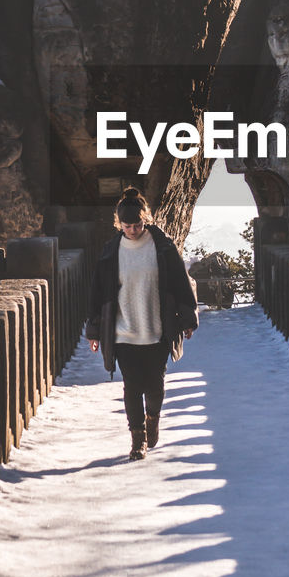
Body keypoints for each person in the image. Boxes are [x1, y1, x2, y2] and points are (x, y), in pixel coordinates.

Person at [86, 187, 199, 461]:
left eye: (138, 225)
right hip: (124, 330)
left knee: (155, 386)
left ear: (145, 220)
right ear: (119, 224)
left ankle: (153, 419)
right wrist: (94, 331)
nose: (133, 230)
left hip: (157, 328)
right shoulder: (111, 251)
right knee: (132, 387)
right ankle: (138, 439)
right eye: (128, 226)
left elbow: (180, 284)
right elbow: (98, 293)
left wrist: (187, 319)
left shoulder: (162, 246)